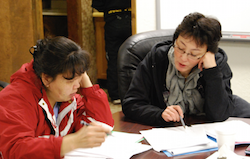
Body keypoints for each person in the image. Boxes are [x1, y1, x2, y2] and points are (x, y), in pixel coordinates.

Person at [122, 12, 250, 126]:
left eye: (193, 54)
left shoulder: (216, 64)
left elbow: (219, 115)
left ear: (207, 53)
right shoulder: (158, 59)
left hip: (204, 132)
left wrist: (212, 72)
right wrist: (159, 114)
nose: (183, 58)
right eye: (180, 48)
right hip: (169, 132)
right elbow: (131, 104)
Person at [0, 36, 114, 159]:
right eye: (69, 80)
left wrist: (85, 82)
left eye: (80, 78)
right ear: (47, 78)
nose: (77, 86)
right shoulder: (15, 98)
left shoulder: (67, 97)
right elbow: (15, 150)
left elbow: (102, 125)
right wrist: (70, 142)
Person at [92, 0, 132, 104]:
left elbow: (98, 5)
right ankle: (131, 92)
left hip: (113, 19)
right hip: (130, 17)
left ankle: (115, 95)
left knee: (113, 58)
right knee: (132, 56)